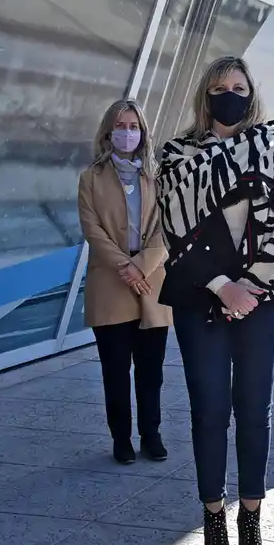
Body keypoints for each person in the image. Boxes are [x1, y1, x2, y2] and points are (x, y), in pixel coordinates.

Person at [157, 56, 274, 545]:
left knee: (254, 408)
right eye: (220, 87)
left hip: (260, 299)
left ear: (252, 93)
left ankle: (251, 515)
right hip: (200, 297)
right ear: (206, 94)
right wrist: (223, 285)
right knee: (208, 410)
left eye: (239, 86)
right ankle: (212, 515)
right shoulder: (178, 153)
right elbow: (176, 227)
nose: (230, 94)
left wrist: (254, 283)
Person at [78, 99, 173, 465]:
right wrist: (125, 267)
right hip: (111, 285)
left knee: (151, 371)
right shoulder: (91, 178)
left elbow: (166, 229)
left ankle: (152, 434)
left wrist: (143, 266)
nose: (127, 132)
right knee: (115, 371)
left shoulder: (158, 176)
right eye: (121, 125)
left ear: (143, 133)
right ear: (108, 131)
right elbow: (93, 231)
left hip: (152, 285)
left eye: (134, 126)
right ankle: (122, 438)